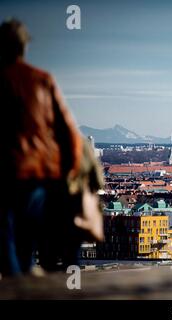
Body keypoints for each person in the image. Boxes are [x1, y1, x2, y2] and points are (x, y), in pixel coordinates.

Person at [0, 19, 88, 276]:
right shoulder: (42, 80)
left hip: (5, 172)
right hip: (40, 173)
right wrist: (69, 171)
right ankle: (23, 280)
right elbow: (70, 133)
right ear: (24, 47)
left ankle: (16, 284)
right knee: (28, 232)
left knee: (6, 233)